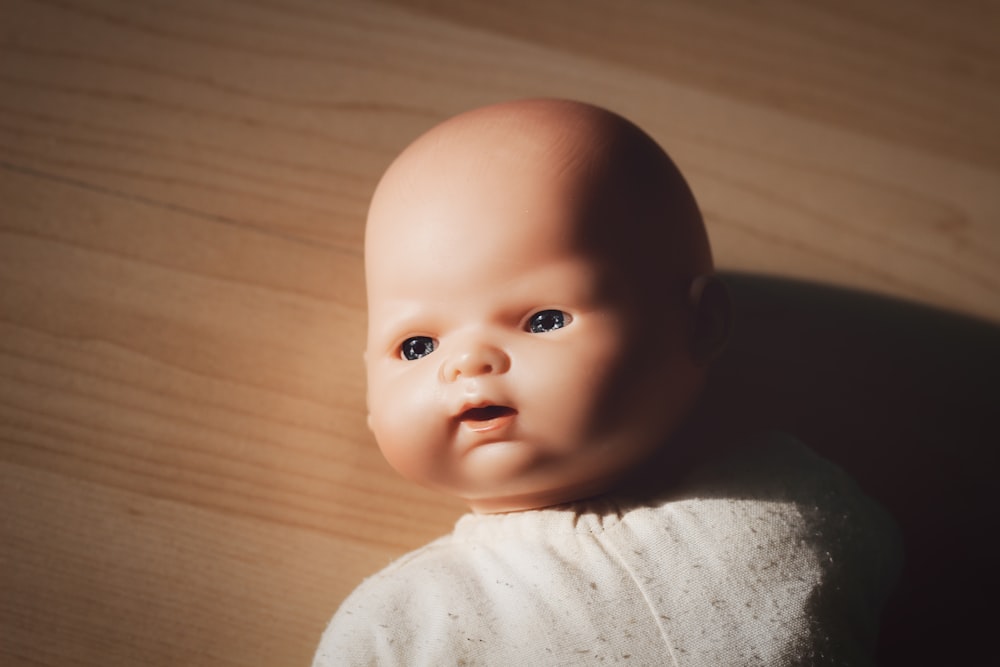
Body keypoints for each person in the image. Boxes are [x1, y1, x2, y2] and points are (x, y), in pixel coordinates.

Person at [313, 99, 900, 665]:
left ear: (698, 325)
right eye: (416, 346)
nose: (467, 364)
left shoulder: (794, 499)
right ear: (369, 385)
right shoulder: (396, 627)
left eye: (544, 320)